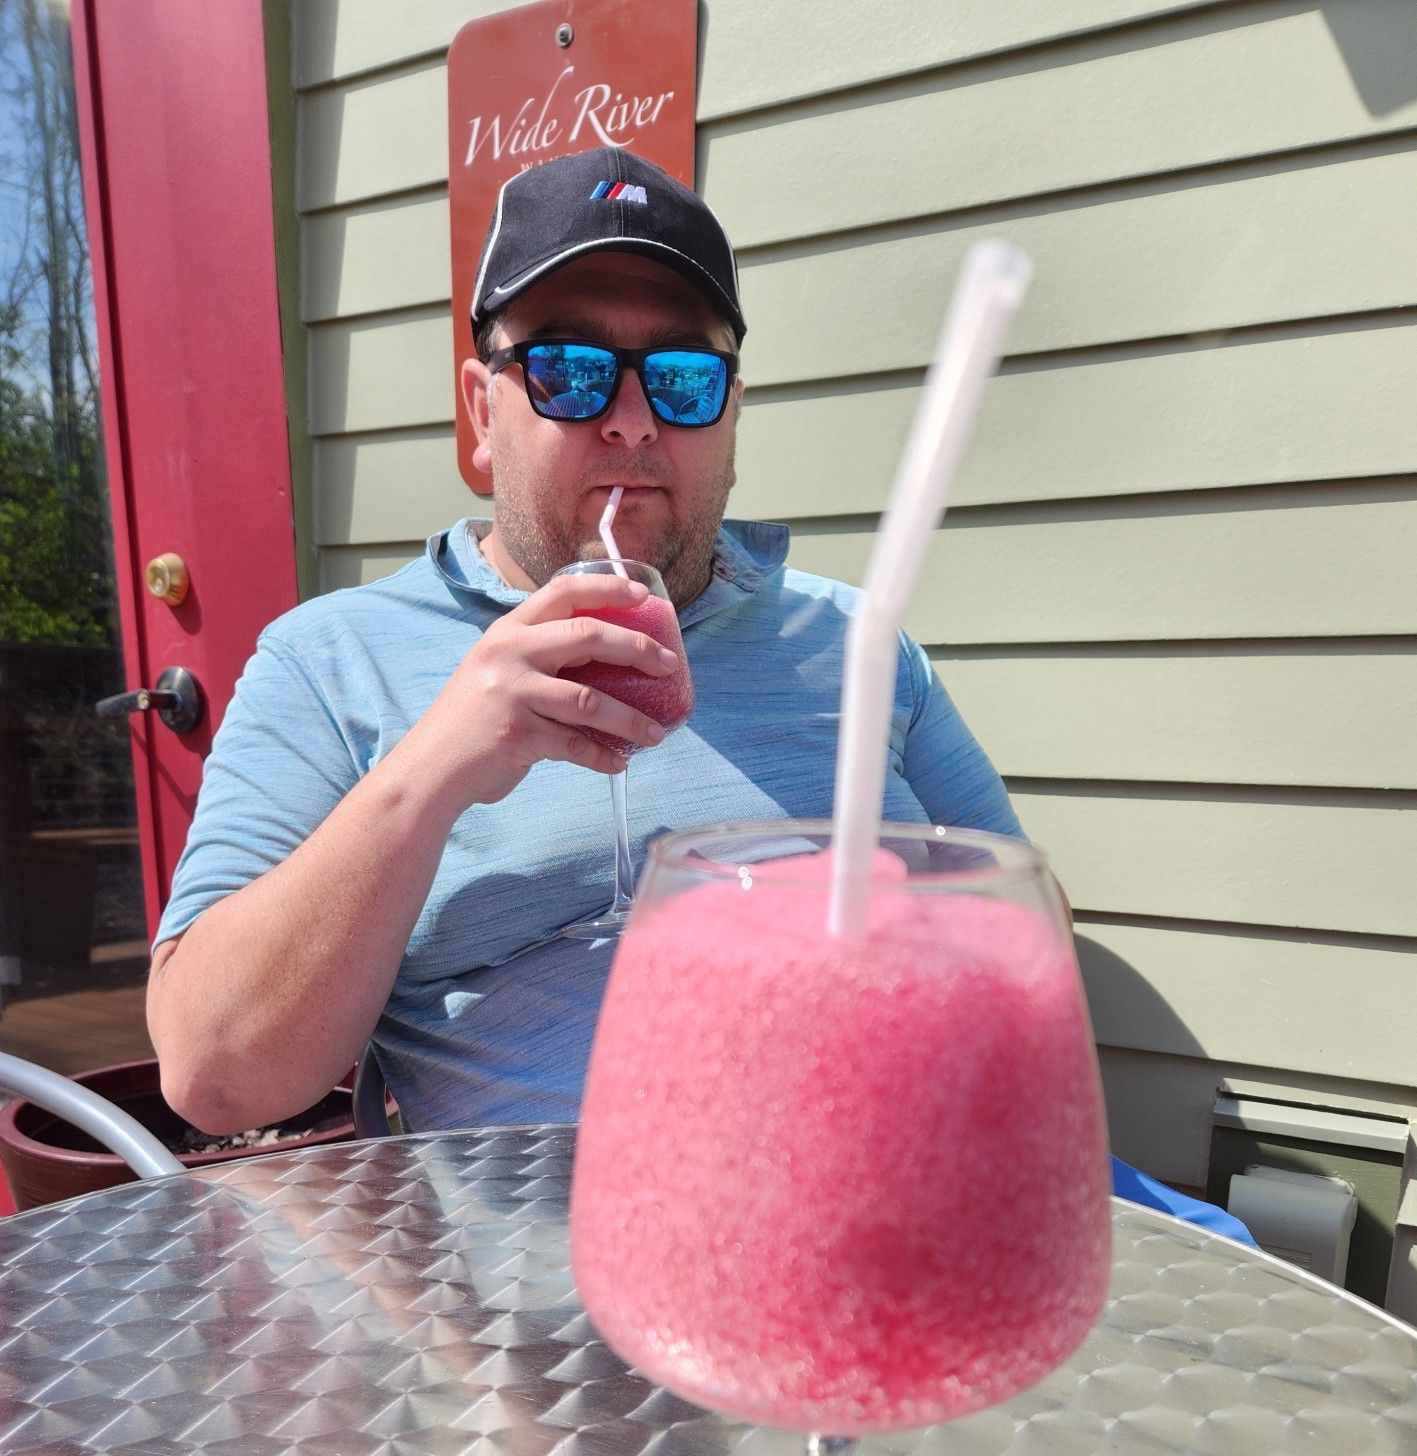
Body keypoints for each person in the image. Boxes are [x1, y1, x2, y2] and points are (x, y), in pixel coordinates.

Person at [146, 147, 1029, 1137]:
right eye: (570, 372)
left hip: (861, 1224)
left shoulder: (856, 645)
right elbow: (214, 1075)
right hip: (513, 1277)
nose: (632, 421)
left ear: (731, 413)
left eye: (686, 378)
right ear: (484, 415)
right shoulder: (330, 659)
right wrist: (434, 768)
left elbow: (1029, 946)